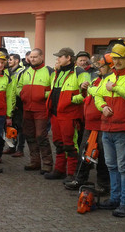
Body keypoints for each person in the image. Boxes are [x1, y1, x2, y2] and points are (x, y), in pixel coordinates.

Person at [94, 39, 125, 218]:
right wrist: (102, 107)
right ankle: (115, 199)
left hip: (123, 129)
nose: (116, 62)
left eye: (120, 58)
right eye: (114, 58)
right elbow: (98, 95)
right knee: (111, 166)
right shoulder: (109, 76)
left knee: (123, 167)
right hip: (107, 128)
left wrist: (115, 87)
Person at [64, 54, 111, 192]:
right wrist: (86, 88)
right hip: (91, 124)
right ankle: (80, 179)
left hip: (101, 124)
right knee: (85, 152)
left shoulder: (110, 81)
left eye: (101, 65)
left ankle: (103, 185)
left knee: (102, 156)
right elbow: (90, 96)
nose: (98, 68)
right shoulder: (98, 80)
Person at [45, 47, 90, 181]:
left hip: (70, 115)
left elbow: (87, 95)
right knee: (59, 143)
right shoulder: (57, 73)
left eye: (60, 57)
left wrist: (70, 100)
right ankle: (59, 170)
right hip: (56, 114)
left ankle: (72, 173)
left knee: (70, 145)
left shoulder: (80, 73)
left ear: (68, 58)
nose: (57, 59)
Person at [17, 48, 54, 174]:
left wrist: (42, 94)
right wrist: (23, 94)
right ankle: (35, 161)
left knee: (41, 136)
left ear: (41, 57)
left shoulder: (49, 71)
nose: (32, 59)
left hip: (41, 109)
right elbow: (18, 87)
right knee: (29, 135)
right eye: (31, 57)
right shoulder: (26, 71)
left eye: (35, 57)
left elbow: (54, 90)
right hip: (27, 108)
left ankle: (47, 163)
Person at [0, 53, 25, 157]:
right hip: (10, 102)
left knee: (20, 127)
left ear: (17, 60)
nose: (8, 61)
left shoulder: (21, 72)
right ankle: (11, 147)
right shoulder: (9, 71)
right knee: (11, 126)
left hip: (18, 103)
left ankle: (20, 149)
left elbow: (20, 88)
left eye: (10, 59)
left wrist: (16, 103)